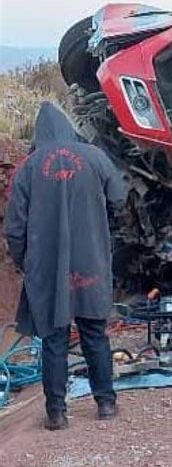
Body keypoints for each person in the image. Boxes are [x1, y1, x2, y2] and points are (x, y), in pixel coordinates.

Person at [5, 102, 125, 430]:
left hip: (46, 269)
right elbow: (119, 198)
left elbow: (14, 229)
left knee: (54, 339)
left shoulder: (27, 168)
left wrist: (24, 263)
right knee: (94, 334)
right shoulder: (96, 157)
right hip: (92, 263)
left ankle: (57, 413)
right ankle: (105, 404)